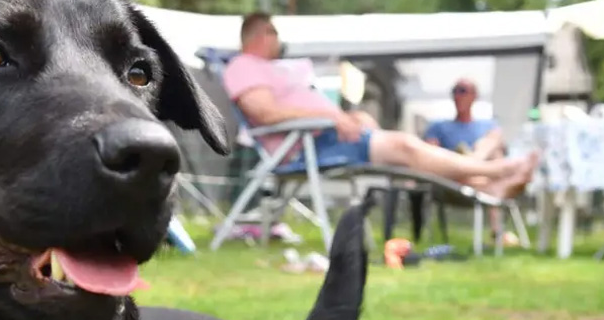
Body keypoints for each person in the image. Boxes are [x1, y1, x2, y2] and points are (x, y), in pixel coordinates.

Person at [222, 12, 537, 200]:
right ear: (264, 33)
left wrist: (343, 116)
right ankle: (496, 171)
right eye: (274, 33)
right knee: (405, 147)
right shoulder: (243, 66)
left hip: (322, 137)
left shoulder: (272, 69)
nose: (278, 41)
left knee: (407, 156)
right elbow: (265, 113)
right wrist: (330, 117)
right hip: (305, 145)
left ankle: (485, 184)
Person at [424, 79, 519, 243]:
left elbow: (498, 147)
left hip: (481, 180)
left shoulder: (488, 125)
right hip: (451, 180)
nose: (458, 95)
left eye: (463, 90)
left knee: (494, 145)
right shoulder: (438, 126)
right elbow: (428, 157)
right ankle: (498, 233)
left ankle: (472, 161)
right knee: (493, 165)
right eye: (455, 91)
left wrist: (476, 156)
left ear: (474, 96)